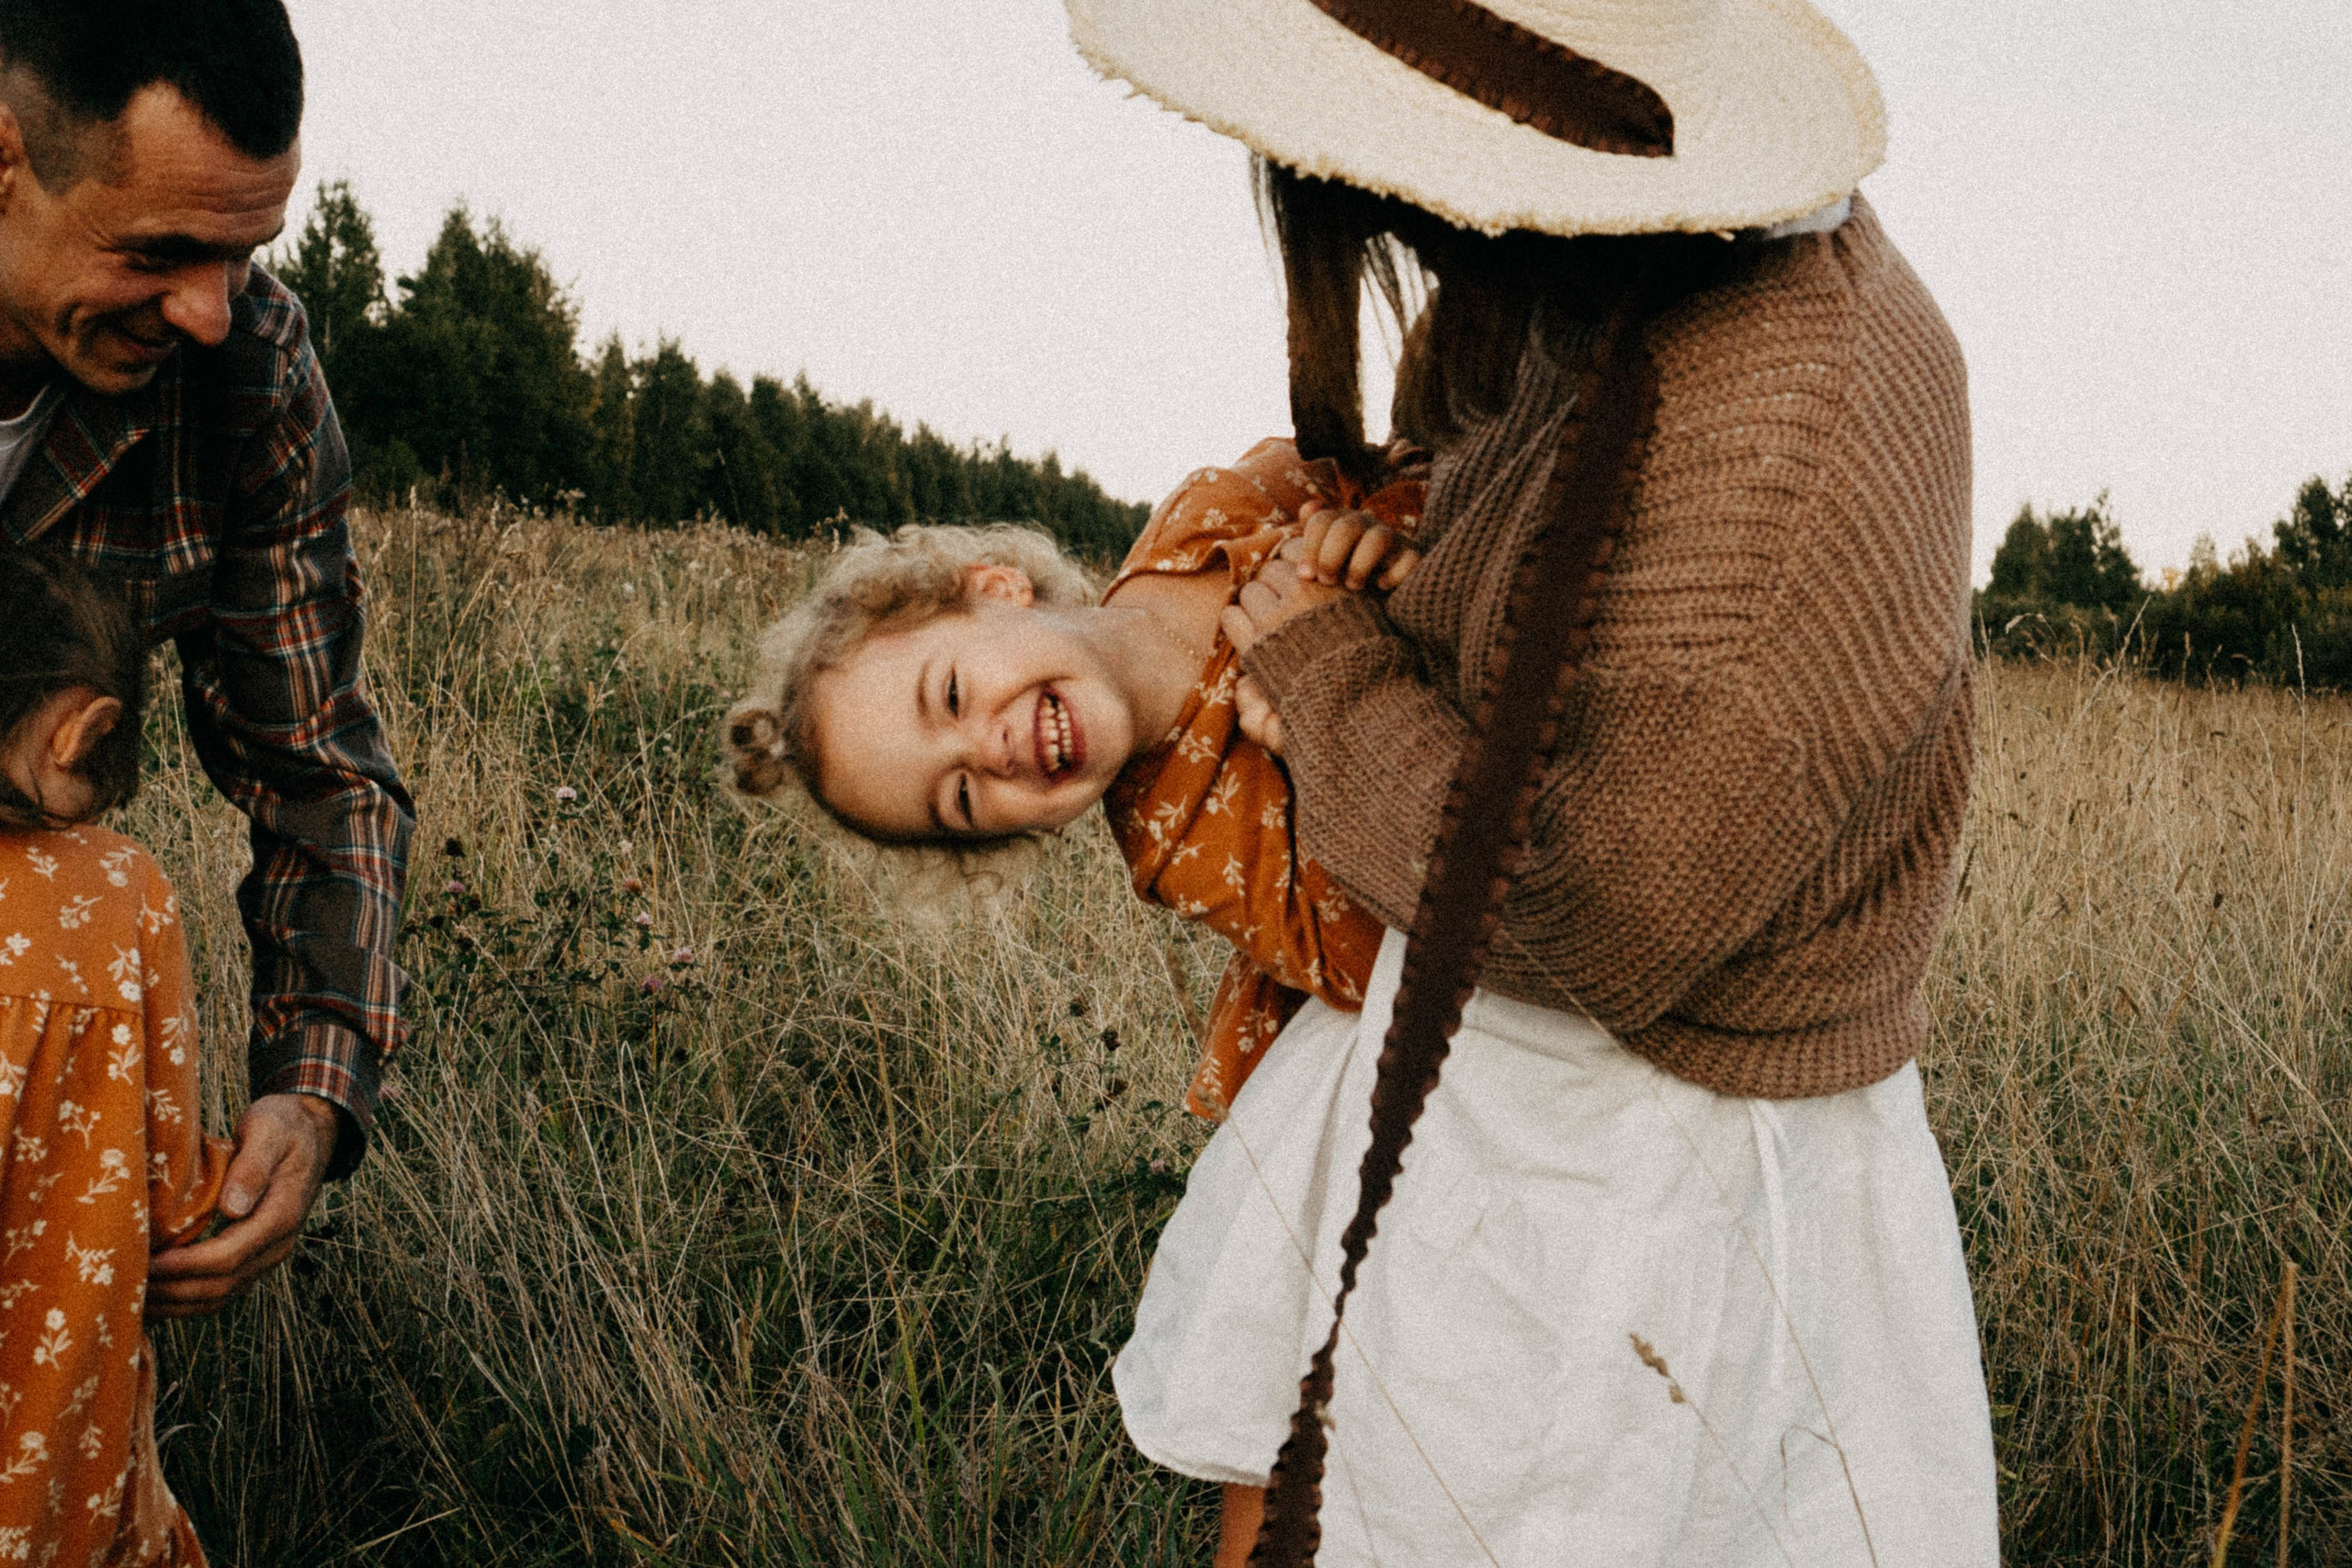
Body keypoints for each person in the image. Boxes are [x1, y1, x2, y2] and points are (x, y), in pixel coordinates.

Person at [1066, 0, 2000, 1563]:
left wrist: (1331, 673)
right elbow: (1544, 587)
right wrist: (1393, 572)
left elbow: (1603, 909)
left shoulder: (1787, 410)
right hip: (1519, 1114)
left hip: (1642, 1186)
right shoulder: (1616, 272)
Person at [0, 0, 410, 1317]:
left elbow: (318, 767)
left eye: (245, 252)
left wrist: (313, 1078)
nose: (209, 312)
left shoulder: (253, 376)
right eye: (163, 251)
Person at [727, 439, 1421, 1116]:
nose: (989, 752)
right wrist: (1327, 721)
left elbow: (1384, 459)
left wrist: (1361, 537)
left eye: (951, 696)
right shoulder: (1187, 846)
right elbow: (1394, 946)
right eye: (961, 797)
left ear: (995, 589)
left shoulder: (1201, 519)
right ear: (1016, 832)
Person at [0, 549, 237, 1563]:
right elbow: (167, 1180)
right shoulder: (123, 891)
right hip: (52, 1457)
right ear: (84, 729)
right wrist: (220, 1195)